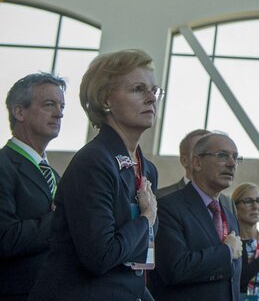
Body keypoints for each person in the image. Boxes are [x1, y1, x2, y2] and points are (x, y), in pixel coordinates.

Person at [29, 49, 160, 300]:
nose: (151, 98)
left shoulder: (147, 168)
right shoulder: (94, 161)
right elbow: (100, 257)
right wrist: (146, 217)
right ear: (106, 100)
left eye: (154, 91)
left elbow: (141, 252)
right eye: (138, 89)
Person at [150, 131, 243, 300]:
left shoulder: (229, 215)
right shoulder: (167, 207)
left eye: (236, 158)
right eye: (222, 155)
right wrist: (226, 252)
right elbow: (175, 269)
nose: (232, 164)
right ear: (197, 162)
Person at [0, 72, 65, 300]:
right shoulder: (3, 166)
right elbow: (5, 239)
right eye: (49, 105)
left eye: (61, 106)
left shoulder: (56, 177)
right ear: (19, 112)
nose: (59, 113)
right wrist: (61, 217)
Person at [158, 129, 209, 197]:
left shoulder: (225, 201)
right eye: (201, 152)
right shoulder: (162, 197)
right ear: (184, 161)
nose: (210, 157)